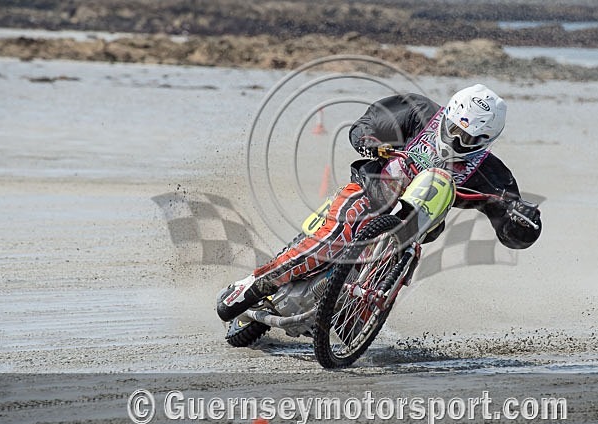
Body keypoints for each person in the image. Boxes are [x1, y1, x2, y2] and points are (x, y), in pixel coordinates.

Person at [217, 84, 541, 322]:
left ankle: (361, 312)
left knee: (393, 279)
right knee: (335, 237)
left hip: (417, 227)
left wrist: (522, 219)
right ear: (448, 115)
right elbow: (364, 127)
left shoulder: (489, 172)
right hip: (371, 190)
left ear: (486, 141)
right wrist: (372, 146)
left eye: (468, 140)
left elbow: (513, 227)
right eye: (455, 130)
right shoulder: (417, 112)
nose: (457, 141)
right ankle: (255, 284)